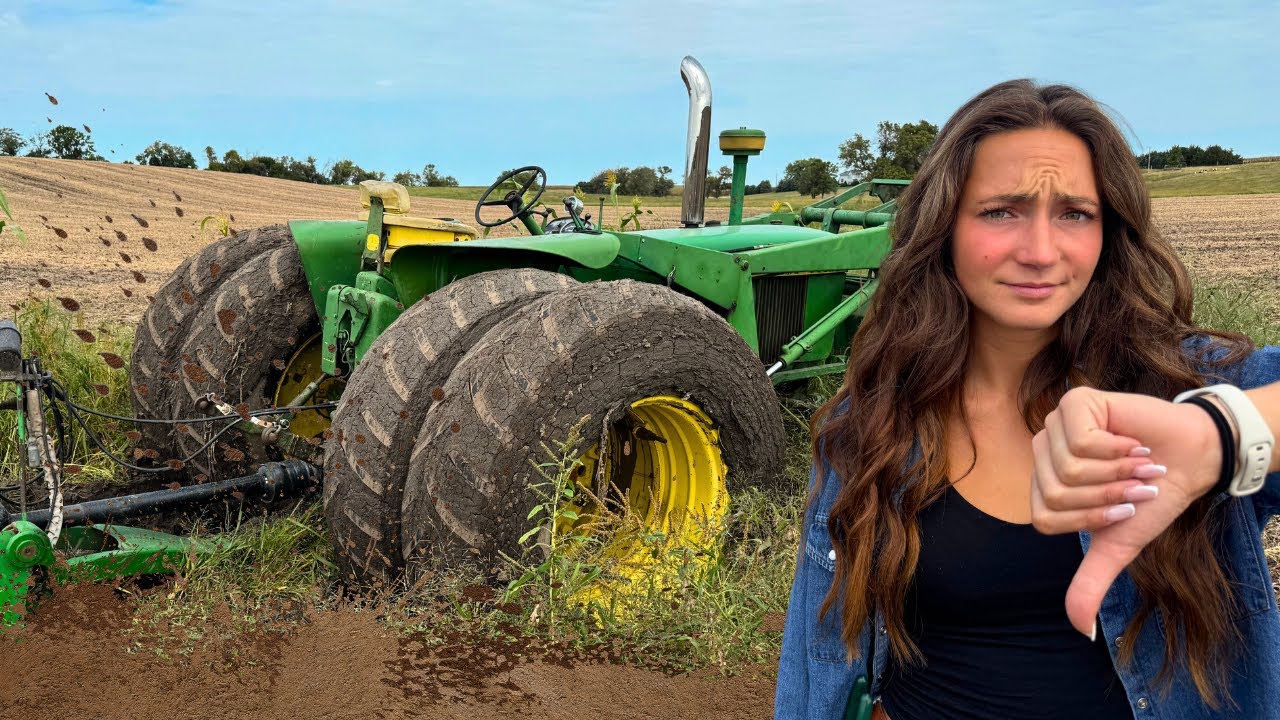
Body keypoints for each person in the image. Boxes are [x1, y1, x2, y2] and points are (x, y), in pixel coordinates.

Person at [773, 78, 1280, 720]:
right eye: (1001, 211)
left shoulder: (1186, 386)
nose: (1040, 252)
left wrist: (1219, 434)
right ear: (944, 227)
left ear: (1109, 230)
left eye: (1075, 213)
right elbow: (818, 661)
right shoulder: (873, 418)